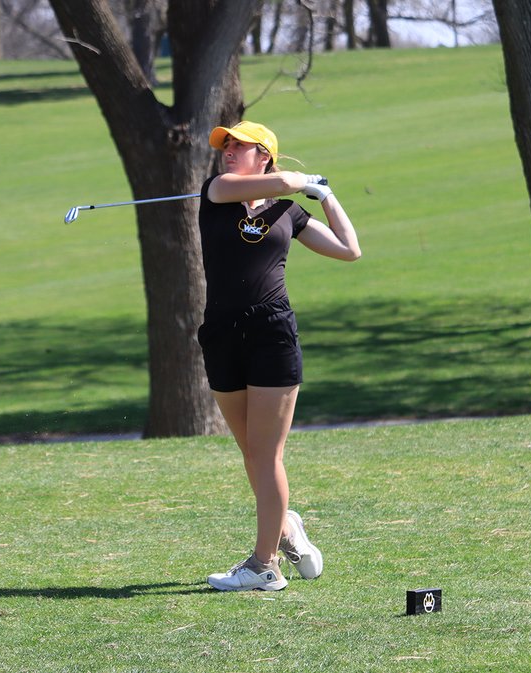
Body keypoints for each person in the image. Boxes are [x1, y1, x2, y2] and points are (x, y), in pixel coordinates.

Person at [198, 121, 361, 591]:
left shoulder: (288, 213)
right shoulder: (218, 191)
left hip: (272, 333)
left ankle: (264, 565)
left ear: (264, 155)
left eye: (240, 146)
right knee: (252, 453)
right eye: (226, 146)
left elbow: (350, 250)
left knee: (267, 456)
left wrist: (325, 196)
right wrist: (304, 182)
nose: (228, 152)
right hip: (221, 334)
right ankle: (287, 525)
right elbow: (288, 181)